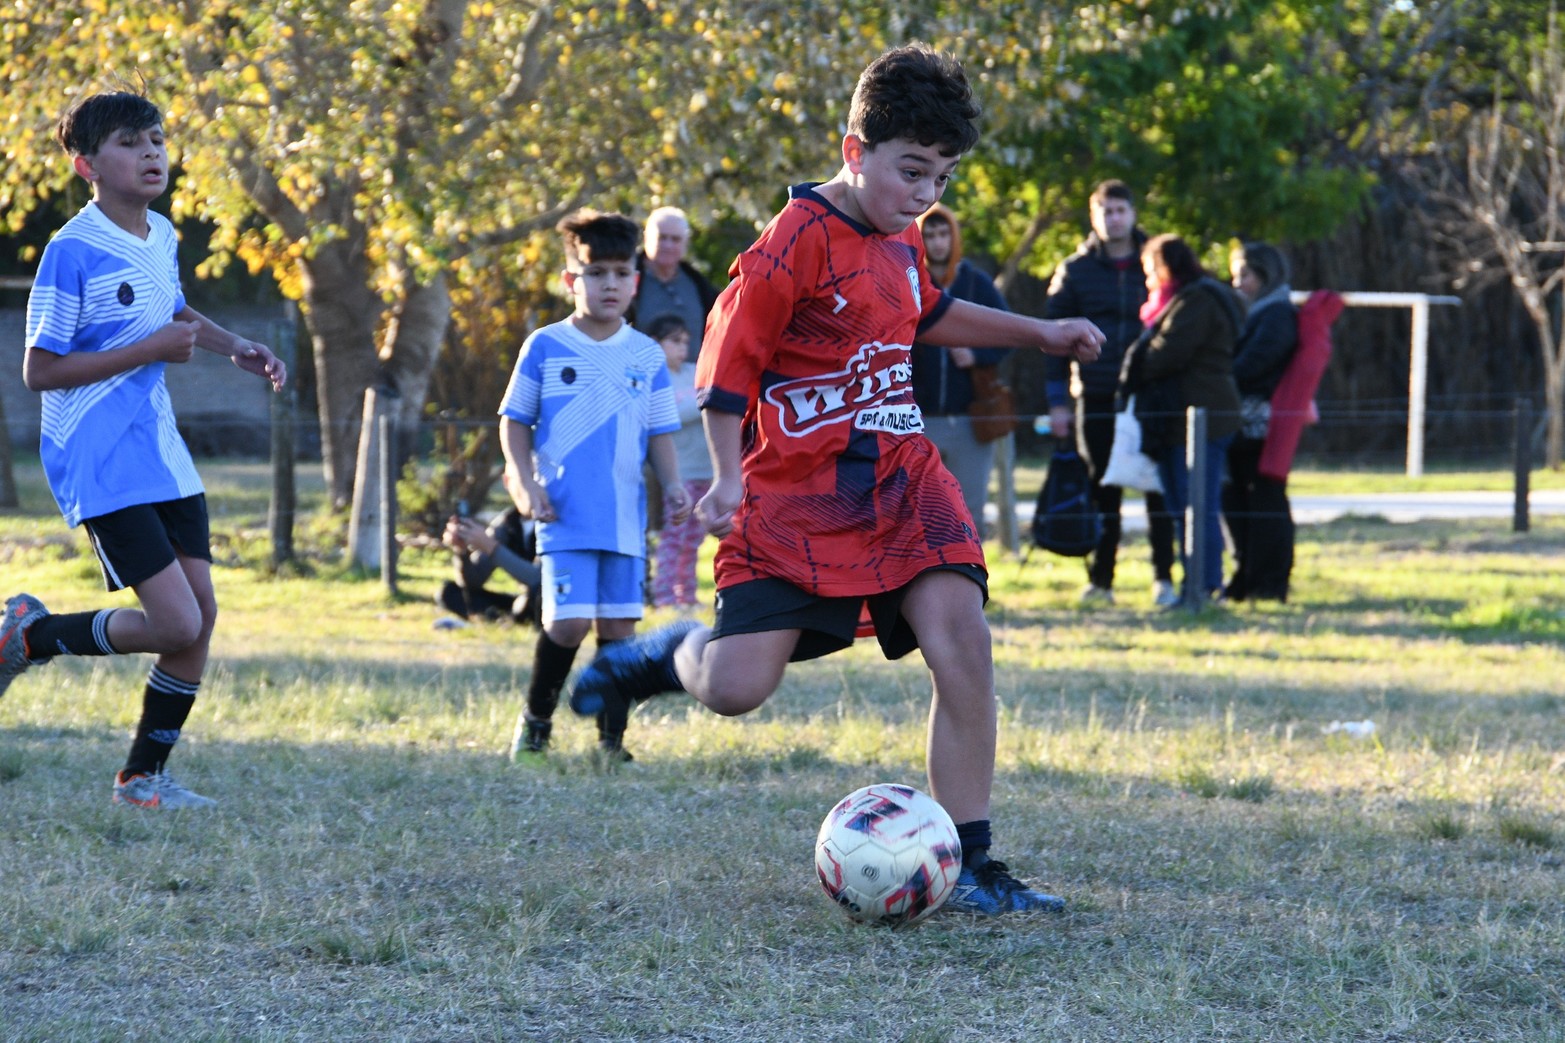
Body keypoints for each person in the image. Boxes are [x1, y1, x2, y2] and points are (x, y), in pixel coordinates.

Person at [566, 44, 1105, 916]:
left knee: (961, 640)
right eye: (911, 171)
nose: (926, 196)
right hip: (793, 495)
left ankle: (969, 863)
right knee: (738, 687)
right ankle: (670, 651)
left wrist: (1041, 334)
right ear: (854, 151)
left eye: (942, 177)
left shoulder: (896, 241)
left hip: (901, 478)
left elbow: (924, 311)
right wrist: (730, 477)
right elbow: (726, 365)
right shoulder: (791, 243)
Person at [0, 90, 288, 809]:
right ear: (86, 163)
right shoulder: (70, 250)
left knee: (201, 618)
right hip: (98, 456)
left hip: (162, 451)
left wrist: (233, 346)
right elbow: (40, 369)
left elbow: (171, 310)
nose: (152, 152)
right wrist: (150, 349)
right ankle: (32, 637)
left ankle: (143, 778)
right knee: (175, 622)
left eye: (157, 139)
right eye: (131, 142)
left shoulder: (159, 233)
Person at [499, 209, 690, 763]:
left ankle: (611, 745)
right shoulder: (545, 346)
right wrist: (522, 478)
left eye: (621, 273)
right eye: (596, 272)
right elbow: (513, 420)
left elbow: (659, 432)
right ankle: (535, 724)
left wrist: (674, 485)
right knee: (567, 623)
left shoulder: (646, 355)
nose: (610, 284)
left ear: (637, 279)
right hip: (563, 513)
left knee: (619, 632)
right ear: (570, 280)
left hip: (626, 519)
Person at [1043, 180, 1179, 607]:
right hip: (1096, 394)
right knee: (1103, 490)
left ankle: (1164, 578)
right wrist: (1057, 402)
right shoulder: (1074, 270)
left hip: (1151, 396)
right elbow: (1050, 339)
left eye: (1120, 209)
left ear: (1133, 213)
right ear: (1093, 217)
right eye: (1105, 211)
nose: (1113, 218)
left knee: (1158, 489)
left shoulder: (1159, 263)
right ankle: (1102, 580)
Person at [1118, 234, 1242, 606]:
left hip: (1201, 418)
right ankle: (1196, 583)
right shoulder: (1186, 300)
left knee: (1196, 504)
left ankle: (1205, 586)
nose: (1149, 279)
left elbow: (1167, 353)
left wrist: (1139, 357)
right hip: (1179, 418)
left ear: (1169, 266)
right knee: (1180, 505)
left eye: (1152, 269)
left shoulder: (1197, 301)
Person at [909, 203, 1008, 530]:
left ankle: (969, 581)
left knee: (969, 514)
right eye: (930, 234)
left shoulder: (975, 283)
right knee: (916, 515)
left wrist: (976, 356)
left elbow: (1007, 334)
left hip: (969, 419)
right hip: (917, 421)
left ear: (954, 237)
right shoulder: (907, 278)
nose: (938, 242)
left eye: (943, 234)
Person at [1223, 242, 1300, 602]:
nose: (1238, 282)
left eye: (1245, 275)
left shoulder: (1276, 314)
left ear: (1264, 276)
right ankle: (1249, 576)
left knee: (1264, 501)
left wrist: (1221, 377)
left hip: (1259, 424)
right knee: (1241, 500)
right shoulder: (1259, 311)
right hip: (1246, 421)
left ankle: (1268, 582)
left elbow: (1257, 364)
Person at [645, 314, 712, 609]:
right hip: (679, 472)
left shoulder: (696, 372)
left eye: (685, 341)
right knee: (674, 536)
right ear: (655, 344)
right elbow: (670, 415)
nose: (682, 348)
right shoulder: (653, 377)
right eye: (674, 341)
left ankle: (687, 594)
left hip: (706, 469)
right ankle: (664, 596)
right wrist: (703, 401)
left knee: (695, 539)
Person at [631, 207, 721, 363]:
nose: (668, 245)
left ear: (686, 242)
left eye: (675, 239)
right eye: (662, 237)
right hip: (638, 378)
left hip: (691, 380)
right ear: (646, 238)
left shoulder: (699, 285)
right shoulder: (627, 280)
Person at [437, 505, 542, 626]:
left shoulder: (557, 521)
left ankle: (510, 618)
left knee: (537, 595)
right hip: (524, 600)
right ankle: (501, 619)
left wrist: (492, 548)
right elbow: (473, 581)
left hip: (551, 599)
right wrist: (462, 550)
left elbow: (538, 578)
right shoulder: (509, 521)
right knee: (451, 592)